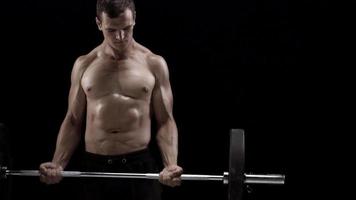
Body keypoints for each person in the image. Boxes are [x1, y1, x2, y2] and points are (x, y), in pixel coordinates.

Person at [39, 0, 183, 199]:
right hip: (94, 168)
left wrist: (171, 165)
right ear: (99, 24)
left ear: (135, 19)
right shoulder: (84, 65)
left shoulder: (154, 64)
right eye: (112, 30)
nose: (121, 36)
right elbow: (73, 120)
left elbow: (166, 120)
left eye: (126, 28)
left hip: (139, 166)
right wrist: (58, 164)